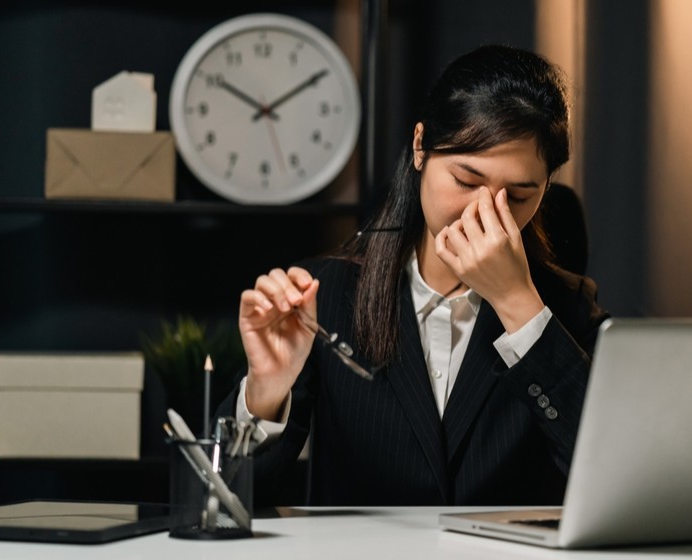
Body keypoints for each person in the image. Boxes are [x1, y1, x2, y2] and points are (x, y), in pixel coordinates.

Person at [216, 44, 609, 506]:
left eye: (519, 196)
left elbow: (614, 476)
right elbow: (225, 499)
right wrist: (265, 392)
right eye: (466, 181)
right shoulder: (326, 294)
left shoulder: (565, 307)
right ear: (420, 146)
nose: (483, 213)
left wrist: (518, 305)